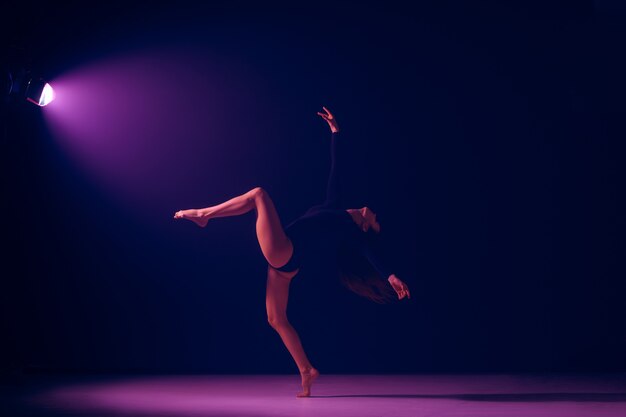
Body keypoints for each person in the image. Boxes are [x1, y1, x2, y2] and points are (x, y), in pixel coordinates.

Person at [174, 107, 411, 397]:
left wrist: (391, 276)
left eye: (376, 222)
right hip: (285, 266)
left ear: (365, 226)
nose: (377, 217)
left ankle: (203, 215)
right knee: (276, 319)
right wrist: (336, 132)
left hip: (285, 250)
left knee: (259, 195)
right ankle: (306, 370)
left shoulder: (350, 229)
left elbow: (368, 253)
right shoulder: (335, 206)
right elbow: (337, 168)